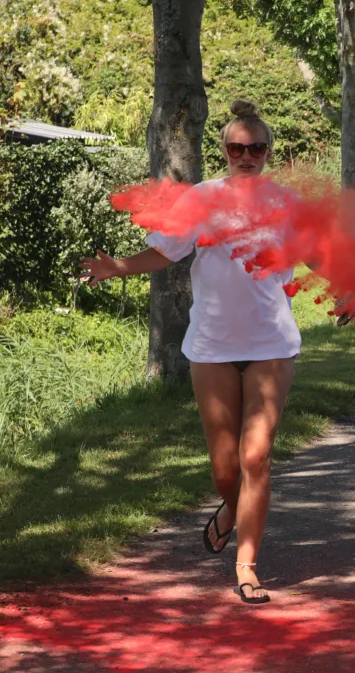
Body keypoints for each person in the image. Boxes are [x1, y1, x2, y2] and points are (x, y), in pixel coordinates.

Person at [80, 100, 301, 606]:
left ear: (268, 152)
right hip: (212, 345)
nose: (247, 155)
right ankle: (230, 509)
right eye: (236, 147)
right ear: (224, 151)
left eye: (257, 147)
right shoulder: (201, 198)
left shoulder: (287, 203)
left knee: (257, 456)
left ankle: (247, 566)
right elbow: (167, 250)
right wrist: (119, 267)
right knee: (226, 468)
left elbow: (321, 255)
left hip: (271, 343)